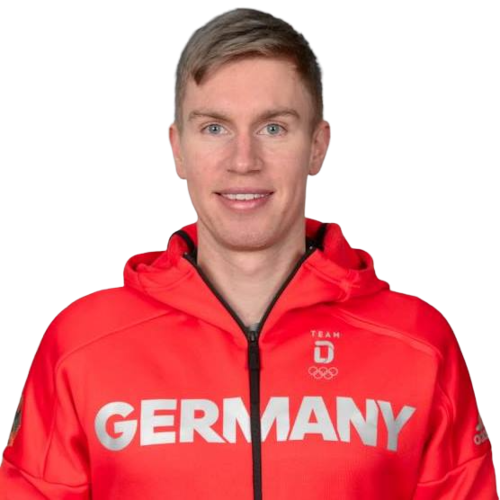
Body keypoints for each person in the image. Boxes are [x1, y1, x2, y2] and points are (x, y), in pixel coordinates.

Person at [0, 7, 497, 500]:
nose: (243, 161)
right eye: (214, 128)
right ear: (177, 149)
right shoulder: (82, 345)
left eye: (273, 128)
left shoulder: (418, 344)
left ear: (318, 145)